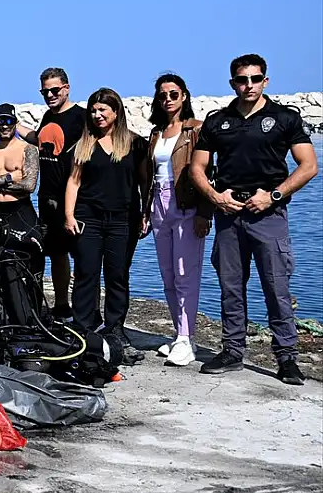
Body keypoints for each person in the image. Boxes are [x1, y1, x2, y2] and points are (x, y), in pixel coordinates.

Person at [190, 54, 318, 384]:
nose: (249, 85)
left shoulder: (285, 118)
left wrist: (273, 196)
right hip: (229, 215)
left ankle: (286, 357)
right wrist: (216, 197)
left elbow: (308, 166)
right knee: (230, 287)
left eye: (255, 78)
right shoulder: (218, 121)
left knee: (276, 287)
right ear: (233, 83)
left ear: (266, 81)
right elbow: (197, 169)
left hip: (269, 214)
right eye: (242, 80)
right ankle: (233, 351)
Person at [64, 88, 149, 366]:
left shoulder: (135, 144)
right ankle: (82, 328)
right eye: (94, 110)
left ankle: (115, 329)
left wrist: (145, 214)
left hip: (123, 220)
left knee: (117, 276)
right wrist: (69, 215)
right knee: (86, 273)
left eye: (103, 110)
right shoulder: (84, 145)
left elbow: (144, 182)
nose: (97, 115)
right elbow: (74, 182)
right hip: (89, 217)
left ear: (116, 112)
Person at [142, 74, 211, 367]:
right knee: (168, 274)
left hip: (186, 204)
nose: (168, 100)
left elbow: (207, 172)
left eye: (173, 94)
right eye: (163, 95)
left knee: (186, 273)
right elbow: (149, 177)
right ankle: (178, 334)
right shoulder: (156, 133)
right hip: (159, 203)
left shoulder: (195, 130)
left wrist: (205, 212)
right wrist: (145, 212)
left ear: (184, 96)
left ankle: (187, 337)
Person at [22, 67, 87, 323]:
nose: (50, 94)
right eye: (45, 91)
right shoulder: (48, 116)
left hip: (74, 198)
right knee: (57, 253)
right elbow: (40, 141)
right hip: (47, 197)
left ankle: (85, 308)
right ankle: (62, 305)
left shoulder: (81, 117)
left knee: (82, 255)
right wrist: (14, 126)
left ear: (67, 88)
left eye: (55, 90)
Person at [0, 104, 43, 278]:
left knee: (33, 260)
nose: (4, 126)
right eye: (0, 121)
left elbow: (29, 186)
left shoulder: (28, 150)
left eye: (9, 121)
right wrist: (10, 177)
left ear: (15, 123)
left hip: (20, 211)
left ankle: (31, 303)